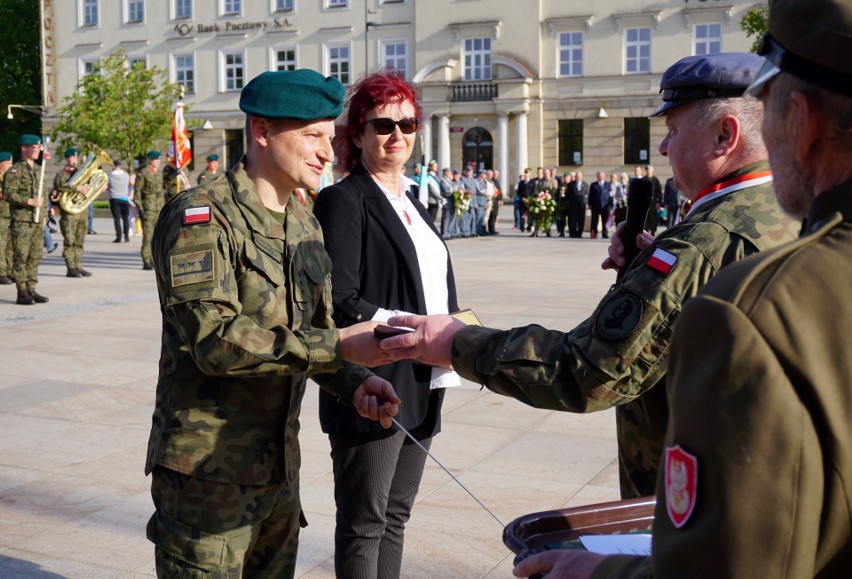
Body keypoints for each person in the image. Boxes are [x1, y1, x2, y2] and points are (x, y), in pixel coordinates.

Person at [514, 0, 852, 576]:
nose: (664, 149)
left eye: (769, 113)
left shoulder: (744, 306)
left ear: (802, 120)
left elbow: (732, 560)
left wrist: (597, 572)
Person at [379, 52, 799, 500]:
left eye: (673, 131)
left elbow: (590, 370)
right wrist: (650, 269)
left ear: (724, 135)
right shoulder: (789, 212)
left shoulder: (704, 243)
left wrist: (456, 342)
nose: (662, 147)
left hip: (701, 511)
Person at [145, 68, 401, 578]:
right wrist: (341, 350)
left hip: (279, 473)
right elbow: (214, 343)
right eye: (311, 136)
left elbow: (313, 333)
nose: (327, 153)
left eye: (330, 137)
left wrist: (355, 382)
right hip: (208, 483)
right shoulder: (202, 218)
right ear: (262, 132)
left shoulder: (302, 221)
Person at [314, 69, 460, 579]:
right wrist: (413, 326)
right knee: (364, 522)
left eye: (408, 123)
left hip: (424, 378)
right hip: (375, 381)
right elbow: (340, 299)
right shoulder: (344, 200)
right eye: (382, 125)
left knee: (395, 516)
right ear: (355, 134)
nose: (397, 135)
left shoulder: (413, 202)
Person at [4, 135, 50, 305]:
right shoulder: (15, 170)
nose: (37, 150)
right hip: (22, 220)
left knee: (35, 255)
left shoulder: (40, 170)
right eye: (34, 147)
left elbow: (43, 194)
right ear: (24, 148)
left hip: (37, 221)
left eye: (39, 147)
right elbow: (9, 194)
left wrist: (44, 215)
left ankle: (31, 288)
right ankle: (22, 291)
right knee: (21, 256)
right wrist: (28, 201)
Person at [50, 147, 92, 277]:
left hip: (82, 211)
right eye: (70, 158)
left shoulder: (82, 172)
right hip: (69, 213)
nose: (72, 160)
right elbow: (60, 186)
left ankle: (78, 265)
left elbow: (90, 185)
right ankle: (70, 267)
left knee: (80, 241)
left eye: (74, 157)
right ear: (66, 159)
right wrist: (76, 188)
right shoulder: (61, 174)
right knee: (70, 241)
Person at [134, 150, 163, 270]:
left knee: (157, 236)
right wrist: (140, 209)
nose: (159, 161)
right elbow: (137, 192)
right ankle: (146, 259)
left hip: (158, 208)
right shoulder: (143, 173)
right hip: (148, 208)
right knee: (148, 235)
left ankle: (152, 258)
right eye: (156, 159)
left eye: (159, 159)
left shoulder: (158, 173)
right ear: (150, 160)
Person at [107, 160, 132, 243]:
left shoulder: (109, 176)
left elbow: (107, 186)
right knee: (126, 218)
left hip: (114, 198)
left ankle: (118, 237)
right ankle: (127, 236)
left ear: (114, 166)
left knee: (117, 219)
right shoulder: (126, 175)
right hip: (125, 198)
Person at [0, 151, 15, 285]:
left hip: (11, 215)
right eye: (8, 163)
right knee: (1, 245)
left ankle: (10, 271)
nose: (11, 166)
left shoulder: (11, 179)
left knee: (10, 246)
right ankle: (1, 272)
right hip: (1, 216)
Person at [588, 171, 613, 239]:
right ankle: (594, 233)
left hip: (605, 206)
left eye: (602, 176)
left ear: (604, 176)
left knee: (605, 220)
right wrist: (589, 204)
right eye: (599, 176)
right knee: (594, 220)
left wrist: (611, 203)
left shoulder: (608, 184)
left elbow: (610, 195)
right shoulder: (593, 184)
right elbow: (590, 195)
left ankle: (605, 233)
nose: (600, 177)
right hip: (595, 206)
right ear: (597, 177)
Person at [567, 170, 588, 238]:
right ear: (575, 177)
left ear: (582, 177)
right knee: (572, 220)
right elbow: (568, 195)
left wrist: (586, 203)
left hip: (582, 206)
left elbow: (587, 194)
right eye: (577, 176)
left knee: (581, 220)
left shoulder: (585, 184)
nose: (578, 177)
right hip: (573, 206)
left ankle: (580, 233)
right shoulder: (570, 184)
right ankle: (573, 233)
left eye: (579, 176)